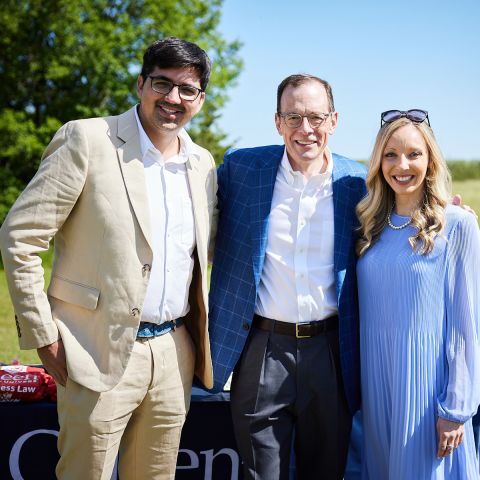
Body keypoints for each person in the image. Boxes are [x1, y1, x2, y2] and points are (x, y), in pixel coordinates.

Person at [0, 37, 217, 479]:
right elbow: (20, 236)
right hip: (93, 347)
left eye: (187, 89)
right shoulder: (86, 139)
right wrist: (44, 334)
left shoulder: (203, 164)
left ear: (200, 99)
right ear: (140, 84)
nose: (173, 98)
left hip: (176, 352)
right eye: (162, 83)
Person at [208, 74, 367, 479]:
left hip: (331, 349)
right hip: (261, 346)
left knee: (326, 471)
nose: (305, 129)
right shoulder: (241, 169)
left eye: (315, 117)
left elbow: (403, 220)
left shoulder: (359, 181)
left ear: (334, 121)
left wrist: (451, 217)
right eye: (293, 117)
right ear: (277, 122)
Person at [356, 110, 480, 479]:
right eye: (391, 154)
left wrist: (455, 408)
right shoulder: (368, 225)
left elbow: (466, 323)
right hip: (377, 389)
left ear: (431, 160)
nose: (402, 165)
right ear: (379, 162)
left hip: (427, 392)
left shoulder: (457, 224)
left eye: (414, 153)